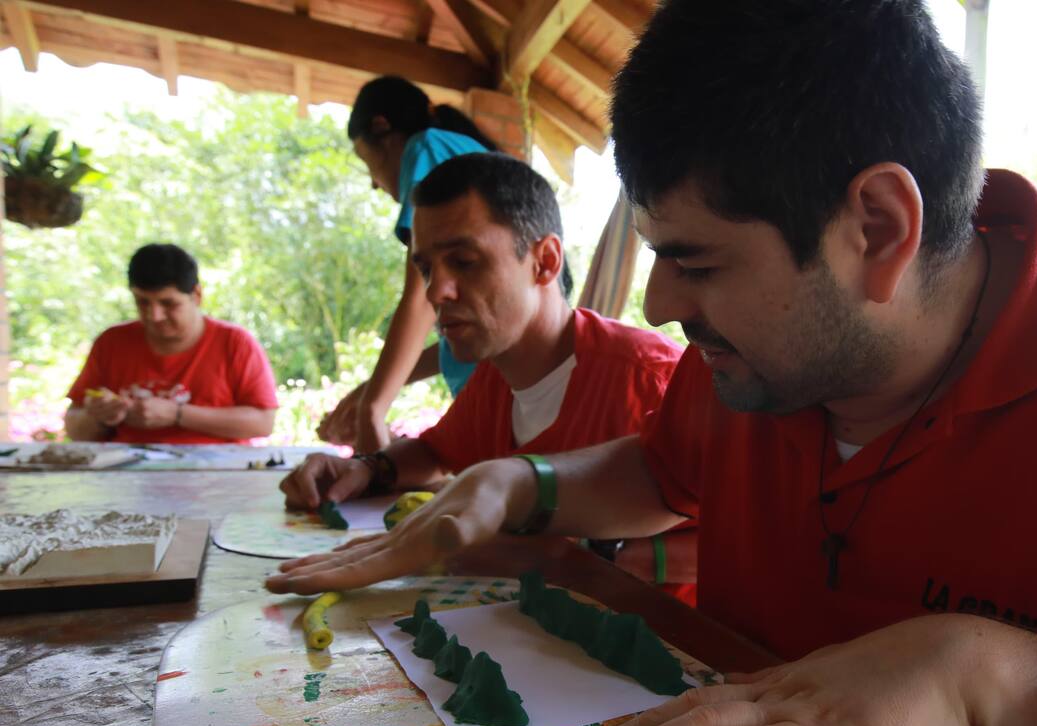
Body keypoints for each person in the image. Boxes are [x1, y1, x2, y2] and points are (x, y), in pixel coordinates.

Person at [263, 1, 1037, 726]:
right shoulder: (753, 359)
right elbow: (664, 473)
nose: (658, 306)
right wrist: (517, 485)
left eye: (695, 261)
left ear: (877, 229)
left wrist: (991, 680)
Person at [279, 153, 695, 593]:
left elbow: (747, 540)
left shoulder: (649, 379)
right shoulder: (496, 376)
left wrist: (584, 554)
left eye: (464, 261)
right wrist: (367, 468)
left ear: (545, 261)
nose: (436, 291)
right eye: (426, 269)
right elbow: (434, 452)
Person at [318, 76, 497, 453]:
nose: (373, 183)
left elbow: (421, 302)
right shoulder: (462, 150)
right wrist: (372, 390)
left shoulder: (426, 146)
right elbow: (465, 338)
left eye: (366, 162)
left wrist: (373, 407)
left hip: (501, 397)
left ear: (382, 128)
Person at [65, 243, 277, 444]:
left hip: (217, 473)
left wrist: (178, 414)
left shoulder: (235, 343)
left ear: (196, 295)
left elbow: (263, 423)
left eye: (168, 303)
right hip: (127, 473)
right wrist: (99, 417)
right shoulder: (111, 342)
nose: (154, 315)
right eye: (143, 302)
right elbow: (75, 430)